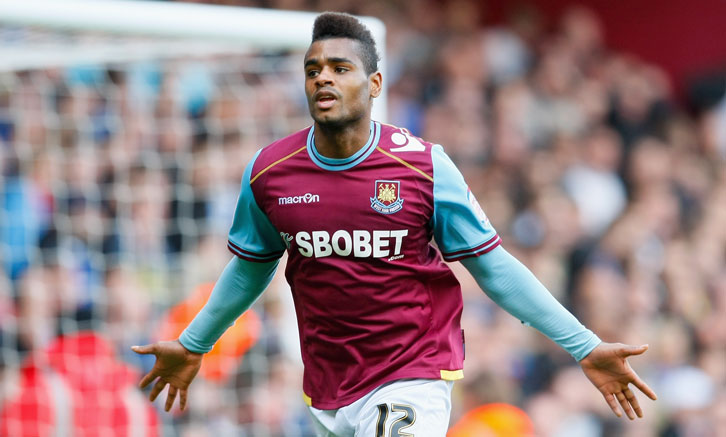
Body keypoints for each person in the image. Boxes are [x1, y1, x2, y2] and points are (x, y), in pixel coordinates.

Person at [132, 12, 657, 436]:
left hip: (412, 375)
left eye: (340, 68)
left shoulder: (424, 166)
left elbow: (493, 268)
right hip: (327, 387)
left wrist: (584, 345)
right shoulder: (269, 173)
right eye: (314, 69)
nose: (323, 79)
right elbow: (250, 270)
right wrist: (195, 342)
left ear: (375, 82)